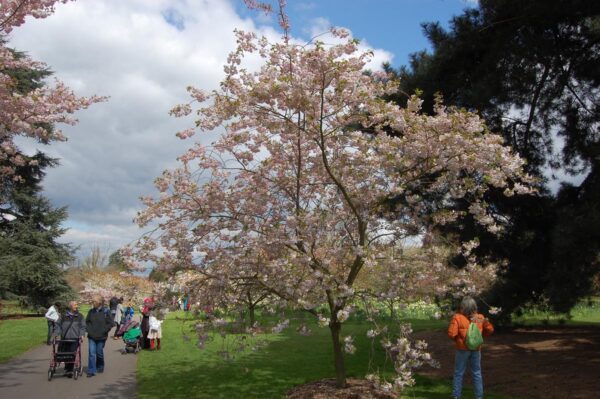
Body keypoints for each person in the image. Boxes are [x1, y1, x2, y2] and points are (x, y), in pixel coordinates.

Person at [447, 296, 494, 399]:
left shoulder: (457, 317)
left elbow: (451, 333)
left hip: (462, 350)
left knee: (458, 373)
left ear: (462, 306)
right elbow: (490, 329)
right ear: (474, 306)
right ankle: (479, 397)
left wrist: (458, 341)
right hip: (476, 349)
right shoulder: (480, 318)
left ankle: (456, 396)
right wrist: (480, 337)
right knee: (477, 373)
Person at [55, 301, 85, 377]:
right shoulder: (63, 316)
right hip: (65, 338)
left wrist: (82, 334)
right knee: (65, 354)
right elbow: (58, 325)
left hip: (75, 338)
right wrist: (57, 333)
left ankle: (70, 370)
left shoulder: (80, 316)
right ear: (70, 306)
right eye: (75, 305)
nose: (77, 306)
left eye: (77, 304)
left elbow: (83, 326)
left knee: (72, 353)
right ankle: (67, 368)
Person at [85, 296, 113, 377]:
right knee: (91, 353)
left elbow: (111, 323)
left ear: (99, 303)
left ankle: (100, 366)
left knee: (99, 353)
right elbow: (87, 322)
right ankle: (91, 370)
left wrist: (104, 330)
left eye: (94, 302)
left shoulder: (106, 311)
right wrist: (89, 331)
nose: (93, 303)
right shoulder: (91, 311)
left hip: (101, 336)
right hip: (91, 336)